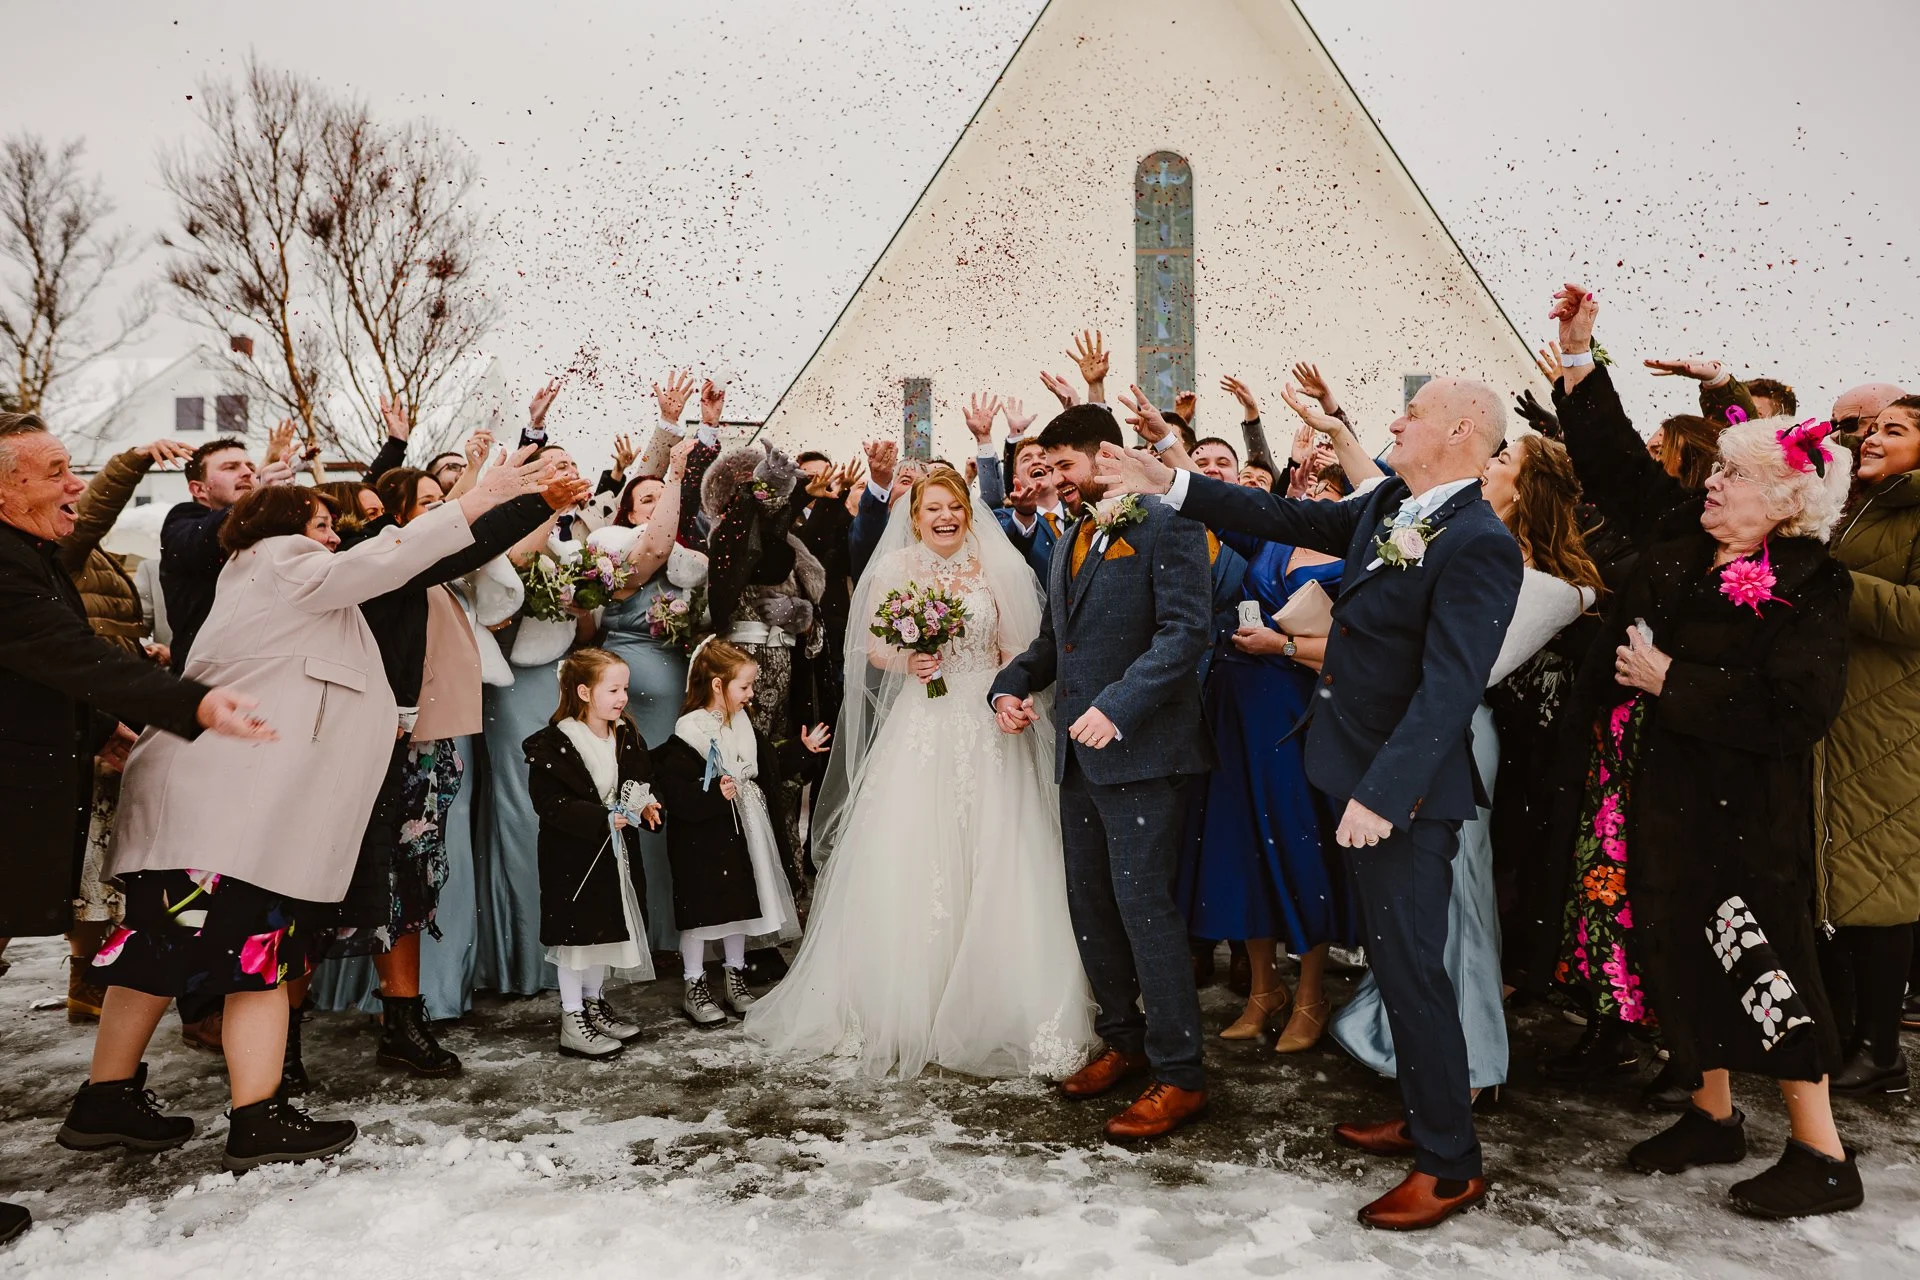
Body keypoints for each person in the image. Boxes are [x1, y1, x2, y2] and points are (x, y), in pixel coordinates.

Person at [1097, 375, 1523, 1230]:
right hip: (1348, 772)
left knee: (1415, 973)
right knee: (1403, 972)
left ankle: (1451, 1166)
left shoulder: (1478, 542)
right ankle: (1427, 1115)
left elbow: (1450, 688)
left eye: (1414, 412)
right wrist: (1170, 479)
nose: (1393, 420)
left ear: (1463, 428)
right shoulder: (1394, 507)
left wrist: (1384, 793)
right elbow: (1281, 519)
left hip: (1401, 798)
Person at [66, 450, 556, 1173]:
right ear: (281, 527)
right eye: (323, 523)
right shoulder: (282, 558)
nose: (334, 537)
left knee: (154, 954)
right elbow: (392, 556)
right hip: (229, 815)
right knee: (257, 963)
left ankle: (105, 1097)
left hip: (202, 810)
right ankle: (258, 1117)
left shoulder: (262, 583)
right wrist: (483, 496)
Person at [1549, 284, 1861, 1219]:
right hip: (1661, 792)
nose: (1710, 486)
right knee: (1676, 952)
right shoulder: (1686, 535)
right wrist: (1578, 354)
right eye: (1715, 472)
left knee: (1763, 963)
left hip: (1742, 813)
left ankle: (1823, 1153)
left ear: (1784, 498)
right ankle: (1712, 1113)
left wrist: (1670, 681)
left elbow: (1798, 709)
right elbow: (1609, 465)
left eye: (1731, 476)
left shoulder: (1814, 579)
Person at [0, 412, 270, 1246]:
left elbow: (37, 673)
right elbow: (67, 654)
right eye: (53, 473)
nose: (73, 486)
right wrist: (194, 702)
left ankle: (107, 1100)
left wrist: (97, 731)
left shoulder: (31, 553)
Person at [746, 471, 1096, 1078]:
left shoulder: (998, 566)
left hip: (987, 719)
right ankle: (906, 1003)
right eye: (932, 507)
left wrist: (1011, 696)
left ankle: (998, 1001)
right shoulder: (895, 569)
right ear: (914, 517)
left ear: (967, 510)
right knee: (915, 852)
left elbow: (1017, 650)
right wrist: (908, 656)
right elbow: (872, 648)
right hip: (923, 719)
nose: (944, 516)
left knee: (1000, 850)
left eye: (954, 506)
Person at [1333, 431, 1603, 1098]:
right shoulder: (1453, 534)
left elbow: (1467, 668)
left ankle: (1473, 1066)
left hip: (1456, 735)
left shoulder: (1546, 581)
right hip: (1415, 728)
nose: (1487, 467)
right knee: (1423, 908)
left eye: (1503, 462)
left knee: (1458, 902)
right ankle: (1415, 1055)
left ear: (1527, 488)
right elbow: (1373, 496)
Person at [305, 456, 586, 1083]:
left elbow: (467, 543)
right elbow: (457, 538)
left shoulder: (403, 566)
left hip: (413, 748)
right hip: (351, 751)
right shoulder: (358, 571)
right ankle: (288, 1045)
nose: (386, 526)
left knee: (406, 884)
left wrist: (539, 501)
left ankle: (403, 1022)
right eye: (369, 517)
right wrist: (527, 497)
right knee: (325, 884)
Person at [989, 405, 1214, 1141]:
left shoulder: (1165, 523)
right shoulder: (1069, 536)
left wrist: (1120, 705)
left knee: (1146, 911)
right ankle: (1123, 1042)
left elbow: (1187, 633)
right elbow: (1059, 641)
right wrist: (1010, 685)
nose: (1051, 480)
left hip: (1146, 753)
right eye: (1044, 469)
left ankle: (1180, 1075)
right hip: (1079, 758)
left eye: (1062, 466)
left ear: (1104, 455)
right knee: (1090, 905)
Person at [56, 437, 195, 1022]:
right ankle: (86, 979)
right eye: (59, 475)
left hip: (105, 710)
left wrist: (141, 654)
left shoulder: (87, 557)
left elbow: (97, 623)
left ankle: (87, 984)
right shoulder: (56, 549)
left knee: (98, 861)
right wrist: (133, 460)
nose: (75, 489)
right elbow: (92, 513)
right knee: (83, 862)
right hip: (82, 721)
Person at [1814, 394, 1920, 1096]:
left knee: (1881, 886)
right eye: (1872, 428)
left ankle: (1881, 1048)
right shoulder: (1864, 503)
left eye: (1895, 429)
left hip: (1893, 724)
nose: (1873, 438)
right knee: (1843, 880)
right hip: (1842, 716)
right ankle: (1847, 1033)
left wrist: (1830, 580)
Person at [656, 642, 814, 1027]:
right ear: (716, 685)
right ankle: (694, 983)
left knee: (740, 904)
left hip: (745, 829)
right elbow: (676, 790)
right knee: (704, 911)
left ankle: (735, 975)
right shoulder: (689, 733)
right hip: (705, 840)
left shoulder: (742, 725)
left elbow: (766, 764)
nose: (751, 694)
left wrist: (800, 750)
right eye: (744, 687)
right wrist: (710, 794)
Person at [594, 438, 708, 949]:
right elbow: (653, 546)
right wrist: (675, 469)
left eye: (664, 496)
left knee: (675, 796)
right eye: (646, 497)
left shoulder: (687, 559)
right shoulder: (616, 549)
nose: (657, 503)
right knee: (636, 795)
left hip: (678, 681)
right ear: (627, 510)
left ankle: (672, 924)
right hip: (631, 688)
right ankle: (636, 925)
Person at [525, 648, 663, 1058]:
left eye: (625, 689)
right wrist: (599, 818)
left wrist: (645, 804)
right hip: (575, 857)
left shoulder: (626, 736)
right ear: (584, 692)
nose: (622, 697)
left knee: (604, 932)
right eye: (613, 689)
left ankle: (593, 1001)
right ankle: (572, 1017)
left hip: (615, 854)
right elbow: (549, 803)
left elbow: (637, 782)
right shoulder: (556, 745)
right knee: (576, 940)